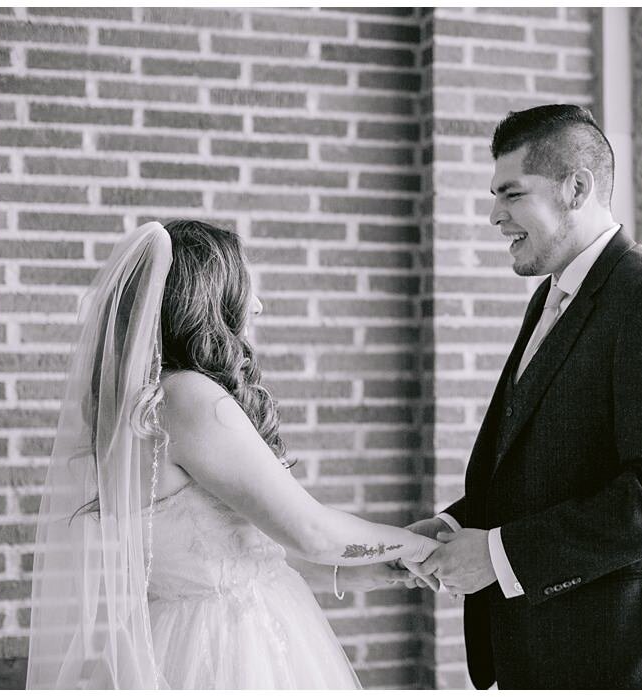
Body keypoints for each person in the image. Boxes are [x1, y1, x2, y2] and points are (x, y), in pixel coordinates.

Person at [26, 219, 437, 689]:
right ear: (211, 300)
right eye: (245, 289)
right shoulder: (190, 399)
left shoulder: (138, 404)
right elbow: (311, 530)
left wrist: (356, 570)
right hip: (229, 648)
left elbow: (225, 553)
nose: (257, 304)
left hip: (174, 636)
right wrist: (415, 544)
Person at [410, 104, 642, 688]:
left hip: (621, 656)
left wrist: (501, 556)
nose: (494, 216)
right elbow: (549, 467)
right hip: (545, 648)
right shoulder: (551, 297)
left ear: (575, 188)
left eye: (512, 194)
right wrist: (456, 527)